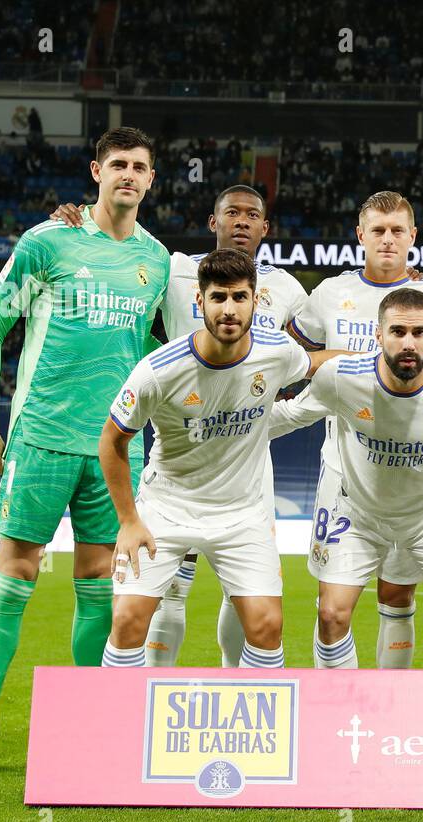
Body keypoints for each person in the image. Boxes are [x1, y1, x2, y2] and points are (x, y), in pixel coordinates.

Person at [0, 127, 171, 777]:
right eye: (118, 165)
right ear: (96, 171)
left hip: (113, 448)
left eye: (140, 166)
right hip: (42, 437)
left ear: (152, 179)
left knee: (98, 588)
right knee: (17, 575)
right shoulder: (48, 243)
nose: (129, 175)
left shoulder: (156, 261)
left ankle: (83, 729)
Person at [54, 183, 308, 668]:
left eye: (251, 215)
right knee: (166, 593)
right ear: (213, 223)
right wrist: (80, 219)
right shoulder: (172, 268)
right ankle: (146, 703)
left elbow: (315, 347)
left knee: (249, 602)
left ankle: (239, 689)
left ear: (264, 228)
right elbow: (118, 247)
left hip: (246, 456)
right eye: (230, 212)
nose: (240, 221)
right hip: (182, 439)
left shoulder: (290, 290)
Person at [98, 249, 342, 667]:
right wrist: (128, 521)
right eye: (218, 298)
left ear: (254, 300)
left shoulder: (277, 350)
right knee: (126, 621)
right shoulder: (160, 370)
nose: (229, 309)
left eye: (239, 297)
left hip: (241, 513)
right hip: (167, 508)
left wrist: (382, 362)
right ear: (200, 301)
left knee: (266, 627)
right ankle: (125, 729)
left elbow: (315, 363)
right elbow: (112, 441)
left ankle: (251, 732)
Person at [268, 287, 423, 670]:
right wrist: (231, 425)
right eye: (398, 331)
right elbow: (290, 416)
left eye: (419, 333)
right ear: (378, 335)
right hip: (358, 515)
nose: (408, 343)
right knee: (332, 615)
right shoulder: (342, 377)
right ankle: (342, 712)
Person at [285, 191, 423, 669]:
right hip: (345, 472)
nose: (387, 240)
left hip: (417, 475)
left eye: (397, 231)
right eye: (378, 230)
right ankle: (339, 711)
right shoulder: (330, 293)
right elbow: (294, 359)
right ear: (360, 236)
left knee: (397, 593)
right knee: (332, 609)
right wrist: (359, 366)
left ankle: (399, 709)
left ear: (413, 236)